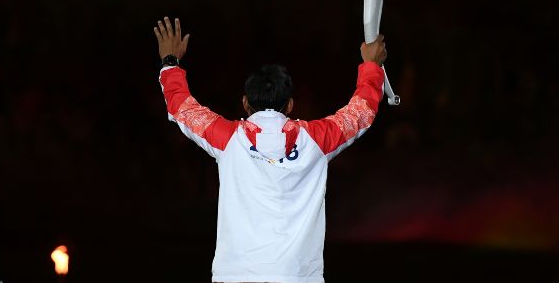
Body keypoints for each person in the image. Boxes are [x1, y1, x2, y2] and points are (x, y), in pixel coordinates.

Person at [153, 16, 387, 283]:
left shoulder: (227, 139)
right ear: (289, 105)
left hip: (235, 276)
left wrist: (170, 62)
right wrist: (371, 65)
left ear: (245, 102)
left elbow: (182, 107)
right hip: (297, 277)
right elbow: (361, 113)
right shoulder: (317, 140)